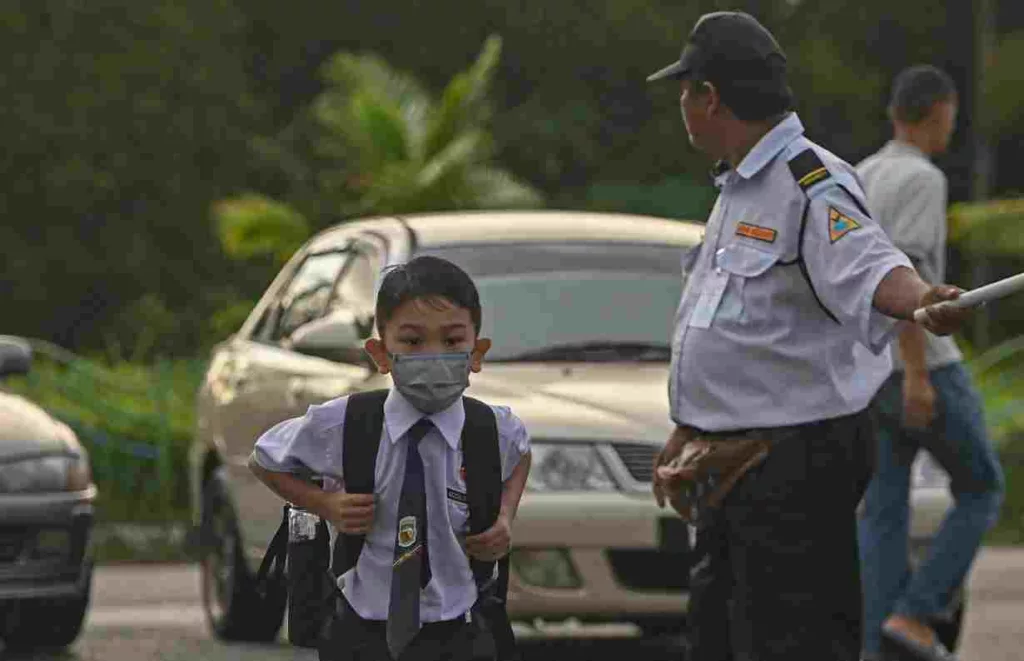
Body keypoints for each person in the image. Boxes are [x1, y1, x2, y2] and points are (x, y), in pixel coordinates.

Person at [644, 11, 974, 661]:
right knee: (722, 640)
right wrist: (693, 423)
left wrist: (922, 301)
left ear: (709, 96)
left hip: (791, 469)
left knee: (791, 642)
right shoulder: (739, 187)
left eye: (685, 90)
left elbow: (873, 264)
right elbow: (737, 327)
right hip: (733, 467)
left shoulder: (808, 181)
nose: (681, 104)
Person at [248, 255, 532, 661]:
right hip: (362, 629)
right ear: (381, 354)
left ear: (476, 353)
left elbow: (520, 456)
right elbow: (264, 459)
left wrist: (505, 517)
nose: (433, 355)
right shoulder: (346, 422)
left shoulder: (492, 429)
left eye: (452, 342)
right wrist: (326, 504)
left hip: (459, 628)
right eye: (413, 342)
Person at [856, 65, 1005, 660]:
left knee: (884, 511)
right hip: (924, 365)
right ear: (940, 111)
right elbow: (910, 277)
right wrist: (918, 374)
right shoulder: (922, 178)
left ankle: (877, 647)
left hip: (871, 370)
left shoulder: (861, 173)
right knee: (983, 487)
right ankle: (918, 613)